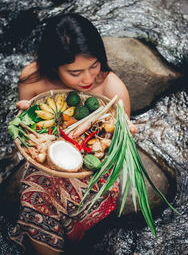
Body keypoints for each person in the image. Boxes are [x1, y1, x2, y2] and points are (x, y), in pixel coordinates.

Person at [10, 13, 138, 255]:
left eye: (94, 65)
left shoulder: (112, 88)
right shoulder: (32, 80)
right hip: (46, 160)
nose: (88, 78)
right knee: (37, 198)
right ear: (53, 65)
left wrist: (125, 133)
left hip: (94, 168)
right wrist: (27, 115)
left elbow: (113, 148)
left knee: (62, 201)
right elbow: (30, 129)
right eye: (75, 72)